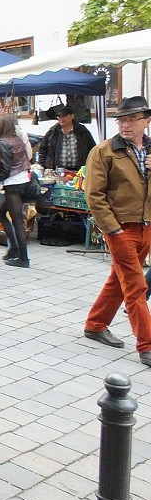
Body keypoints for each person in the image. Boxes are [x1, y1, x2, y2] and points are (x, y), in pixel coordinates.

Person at [83, 96, 151, 366]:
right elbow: (94, 195)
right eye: (122, 119)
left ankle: (96, 324)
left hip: (146, 227)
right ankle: (147, 345)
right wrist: (112, 229)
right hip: (121, 228)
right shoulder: (104, 151)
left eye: (132, 119)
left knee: (119, 280)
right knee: (136, 286)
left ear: (147, 120)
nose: (125, 124)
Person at [0, 114, 32, 268]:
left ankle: (23, 257)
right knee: (0, 213)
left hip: (13, 182)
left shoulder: (3, 142)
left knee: (17, 221)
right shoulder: (17, 138)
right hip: (22, 179)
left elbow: (5, 168)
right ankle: (14, 249)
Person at [38, 105, 97, 172]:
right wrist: (43, 166)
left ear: (72, 116)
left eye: (64, 116)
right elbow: (42, 150)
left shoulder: (82, 131)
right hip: (57, 172)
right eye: (59, 116)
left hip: (79, 171)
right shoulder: (52, 132)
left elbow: (93, 150)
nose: (61, 119)